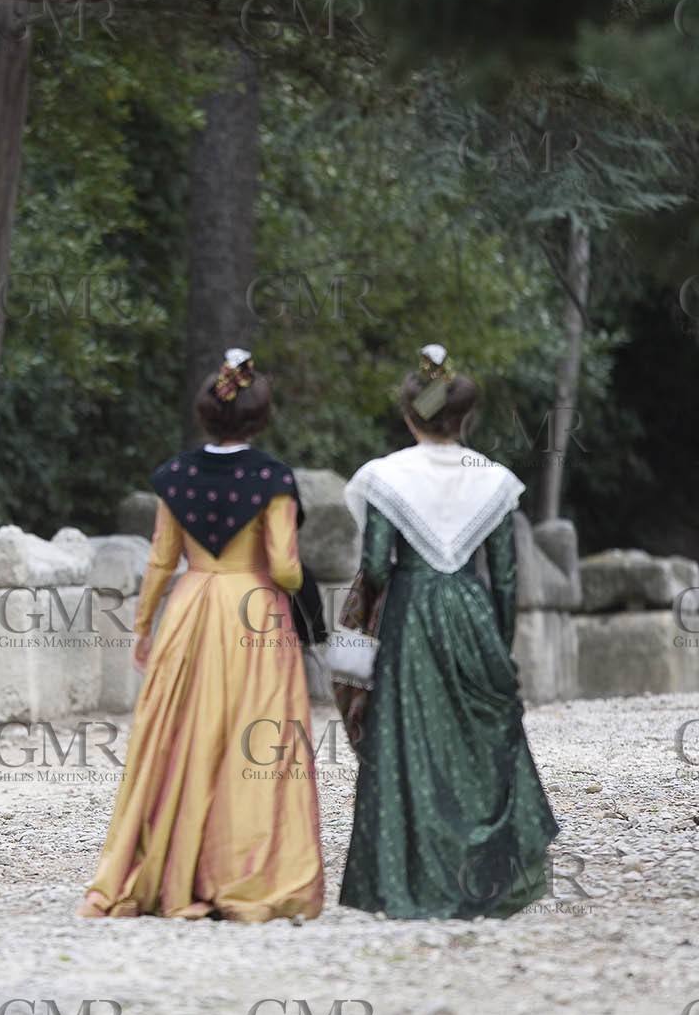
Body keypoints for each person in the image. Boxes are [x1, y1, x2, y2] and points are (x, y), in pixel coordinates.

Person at [80, 348, 324, 920]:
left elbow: (162, 561)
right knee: (253, 745)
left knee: (178, 740)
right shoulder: (274, 479)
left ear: (204, 412)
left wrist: (142, 628)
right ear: (260, 417)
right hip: (253, 613)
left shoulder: (175, 475)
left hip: (189, 610)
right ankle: (241, 873)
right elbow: (287, 570)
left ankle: (168, 871)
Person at [338, 344, 558, 918]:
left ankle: (406, 878)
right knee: (480, 741)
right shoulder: (496, 481)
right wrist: (499, 649)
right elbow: (507, 579)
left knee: (409, 741)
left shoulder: (384, 478)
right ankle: (489, 879)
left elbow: (379, 565)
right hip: (471, 611)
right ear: (467, 418)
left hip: (410, 616)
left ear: (411, 415)